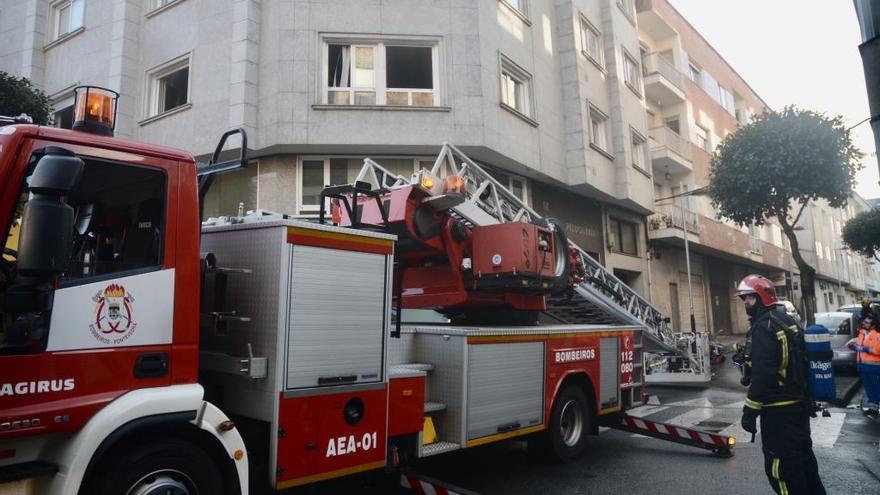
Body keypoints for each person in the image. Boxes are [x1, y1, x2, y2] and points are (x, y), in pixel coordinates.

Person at [736, 274, 826, 495]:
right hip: (798, 408)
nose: (745, 303)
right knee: (804, 465)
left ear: (761, 297)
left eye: (748, 297)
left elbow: (764, 373)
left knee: (781, 471)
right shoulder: (786, 320)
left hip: (778, 413)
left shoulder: (764, 326)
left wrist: (750, 411)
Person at [848, 305, 880, 416]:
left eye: (867, 323)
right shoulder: (861, 334)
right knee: (869, 389)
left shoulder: (877, 335)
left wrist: (862, 348)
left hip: (874, 367)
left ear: (873, 325)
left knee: (877, 388)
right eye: (864, 322)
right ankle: (873, 408)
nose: (864, 324)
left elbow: (877, 350)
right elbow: (858, 345)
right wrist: (854, 346)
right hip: (863, 366)